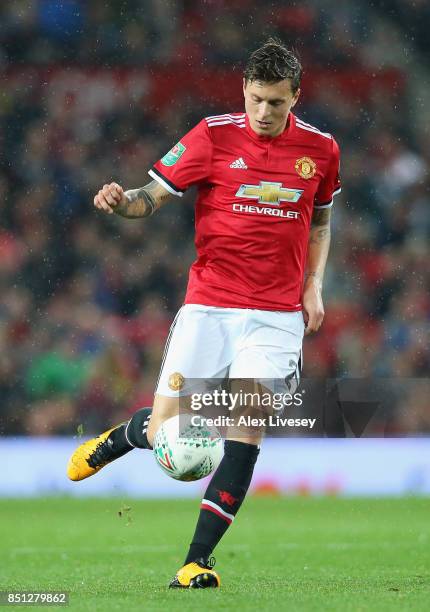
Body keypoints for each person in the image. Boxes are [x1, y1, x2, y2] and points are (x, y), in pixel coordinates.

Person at [67, 37, 341, 589]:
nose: (265, 113)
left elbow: (319, 222)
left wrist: (313, 285)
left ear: (296, 98)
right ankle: (123, 437)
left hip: (275, 314)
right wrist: (123, 203)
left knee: (246, 427)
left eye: (277, 103)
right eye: (257, 99)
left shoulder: (322, 150)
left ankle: (195, 561)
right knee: (171, 438)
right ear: (244, 89)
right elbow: (153, 195)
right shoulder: (212, 135)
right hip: (209, 305)